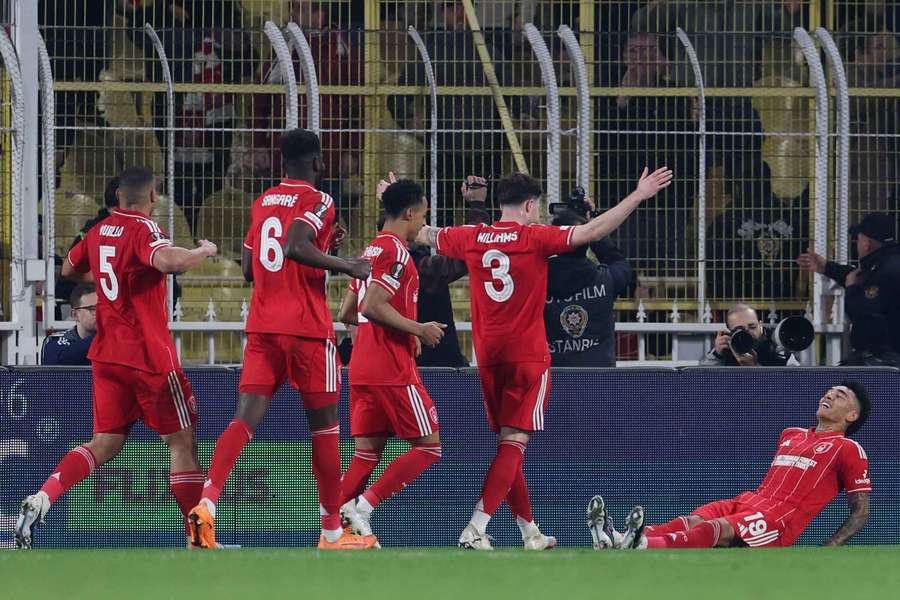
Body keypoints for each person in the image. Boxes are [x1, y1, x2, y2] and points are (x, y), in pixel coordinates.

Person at [416, 167, 673, 550]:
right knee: (515, 442)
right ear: (530, 205)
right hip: (526, 356)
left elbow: (423, 233)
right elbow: (592, 232)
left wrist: (390, 200)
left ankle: (529, 532)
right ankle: (475, 527)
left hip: (487, 356)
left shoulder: (471, 236)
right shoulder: (533, 237)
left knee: (508, 442)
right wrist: (637, 195)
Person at [15, 166, 218, 549]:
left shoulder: (97, 230)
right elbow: (169, 262)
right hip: (148, 357)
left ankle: (44, 496)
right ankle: (200, 540)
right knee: (181, 443)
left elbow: (70, 268)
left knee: (103, 444)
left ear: (119, 197)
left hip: (107, 357)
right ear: (152, 197)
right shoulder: (144, 230)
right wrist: (201, 251)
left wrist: (113, 280)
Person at [188, 129, 372, 550]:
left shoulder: (264, 200)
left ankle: (208, 504)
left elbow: (251, 268)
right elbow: (292, 245)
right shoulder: (320, 199)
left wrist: (323, 247)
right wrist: (344, 263)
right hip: (306, 331)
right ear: (318, 161)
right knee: (326, 430)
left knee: (243, 420)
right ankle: (330, 533)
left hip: (263, 326)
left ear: (281, 162)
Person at [589, 382, 871, 550]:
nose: (830, 395)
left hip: (779, 519)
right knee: (694, 520)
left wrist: (831, 545)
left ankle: (641, 544)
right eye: (830, 391)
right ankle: (614, 537)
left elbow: (861, 510)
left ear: (852, 414)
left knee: (716, 528)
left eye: (841, 396)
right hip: (749, 500)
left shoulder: (848, 449)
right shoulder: (791, 434)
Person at [337, 180, 446, 546]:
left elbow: (347, 311)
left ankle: (333, 532)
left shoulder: (369, 251)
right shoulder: (397, 253)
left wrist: (398, 329)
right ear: (410, 213)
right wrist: (417, 328)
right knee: (429, 446)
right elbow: (371, 307)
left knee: (366, 454)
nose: (422, 226)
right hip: (390, 367)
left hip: (362, 367)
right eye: (423, 217)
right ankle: (363, 508)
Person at [798, 212, 900, 354]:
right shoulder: (887, 263)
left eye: (858, 239)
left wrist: (852, 289)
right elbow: (860, 277)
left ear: (866, 244)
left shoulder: (886, 272)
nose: (857, 244)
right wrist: (826, 267)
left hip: (886, 360)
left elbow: (864, 315)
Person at [545, 209, 634, 368]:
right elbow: (620, 263)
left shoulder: (537, 282)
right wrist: (594, 230)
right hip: (599, 379)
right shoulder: (606, 279)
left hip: (553, 376)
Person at [700, 304, 794, 366]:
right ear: (730, 332)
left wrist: (753, 368)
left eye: (752, 327)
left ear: (760, 324)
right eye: (740, 330)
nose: (748, 333)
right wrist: (717, 355)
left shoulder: (776, 344)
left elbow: (793, 388)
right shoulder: (728, 345)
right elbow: (700, 383)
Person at [42, 284, 98, 366]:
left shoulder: (112, 340)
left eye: (101, 308)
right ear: (75, 315)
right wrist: (101, 337)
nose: (100, 314)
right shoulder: (54, 341)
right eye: (92, 309)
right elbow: (58, 363)